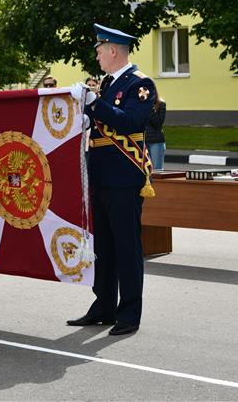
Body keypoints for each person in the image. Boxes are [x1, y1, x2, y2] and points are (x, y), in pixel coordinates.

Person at [67, 23, 157, 337]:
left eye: (99, 50)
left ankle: (129, 312)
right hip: (101, 174)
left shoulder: (139, 84)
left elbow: (130, 121)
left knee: (126, 246)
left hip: (124, 176)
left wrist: (93, 103)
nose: (97, 55)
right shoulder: (107, 84)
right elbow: (101, 122)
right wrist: (85, 113)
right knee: (102, 245)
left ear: (113, 50)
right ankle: (103, 305)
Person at [145, 96, 166, 170]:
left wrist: (149, 109)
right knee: (145, 171)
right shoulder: (139, 104)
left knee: (157, 171)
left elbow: (158, 123)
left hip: (156, 142)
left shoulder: (161, 103)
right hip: (143, 141)